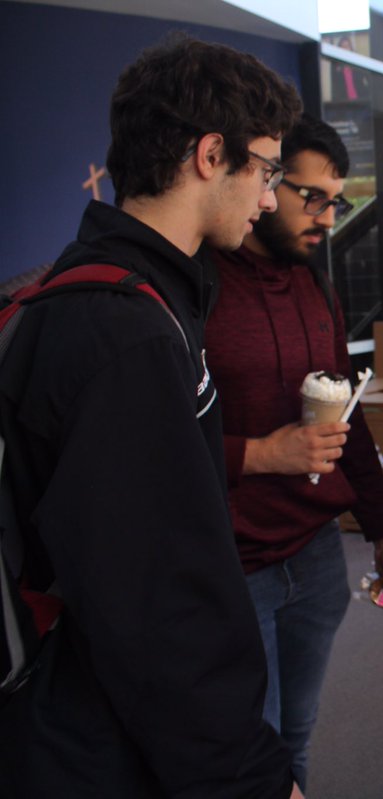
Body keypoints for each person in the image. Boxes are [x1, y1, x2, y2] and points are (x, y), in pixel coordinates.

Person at [0, 35, 304, 798]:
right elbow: (158, 607)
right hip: (99, 741)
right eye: (266, 170)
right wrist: (256, 778)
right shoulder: (124, 333)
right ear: (210, 155)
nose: (270, 197)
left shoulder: (102, 294)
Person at [205, 113, 383, 791]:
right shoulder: (194, 284)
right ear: (261, 182)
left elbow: (343, 417)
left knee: (295, 734)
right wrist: (262, 453)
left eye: (336, 200)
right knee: (245, 749)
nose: (326, 217)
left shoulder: (312, 284)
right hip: (233, 564)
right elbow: (157, 446)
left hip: (317, 553)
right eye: (309, 196)